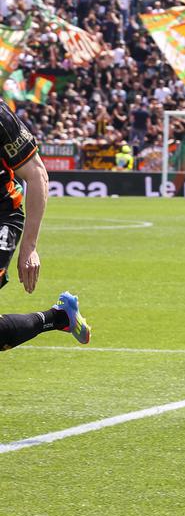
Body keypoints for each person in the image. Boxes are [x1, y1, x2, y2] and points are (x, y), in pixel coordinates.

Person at [0, 100, 91, 351]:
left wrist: (29, 247)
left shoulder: (1, 118)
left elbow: (36, 173)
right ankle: (60, 317)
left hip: (3, 214)